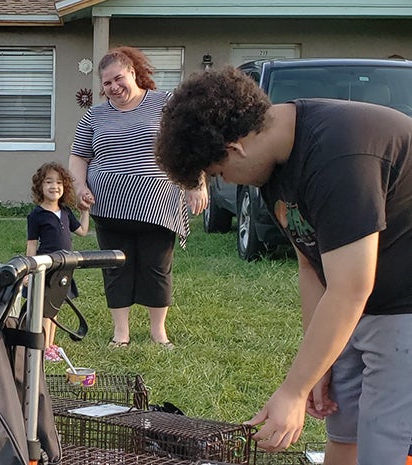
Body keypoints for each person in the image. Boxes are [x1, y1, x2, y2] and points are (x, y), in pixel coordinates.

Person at [155, 66, 412, 464]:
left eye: (218, 173)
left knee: (383, 442)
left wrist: (293, 390)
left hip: (402, 301)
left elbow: (351, 288)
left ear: (235, 147)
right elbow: (311, 265)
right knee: (343, 425)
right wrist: (316, 366)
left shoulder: (340, 154)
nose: (224, 182)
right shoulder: (276, 163)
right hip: (360, 293)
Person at [69, 46, 207, 349]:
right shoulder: (94, 115)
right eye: (107, 83)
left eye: (118, 78)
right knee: (116, 269)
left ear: (133, 72)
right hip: (109, 206)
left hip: (158, 205)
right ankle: (121, 333)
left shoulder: (164, 103)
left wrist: (197, 183)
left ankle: (159, 332)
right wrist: (79, 187)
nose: (114, 87)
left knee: (156, 267)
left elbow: (190, 143)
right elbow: (79, 156)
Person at [25, 161, 90, 362]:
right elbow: (32, 245)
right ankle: (43, 347)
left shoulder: (66, 213)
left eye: (59, 183)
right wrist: (29, 270)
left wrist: (85, 211)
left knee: (56, 307)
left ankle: (51, 344)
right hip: (47, 267)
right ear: (40, 187)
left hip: (65, 268)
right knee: (45, 310)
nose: (55, 187)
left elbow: (83, 232)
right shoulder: (36, 215)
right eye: (49, 182)